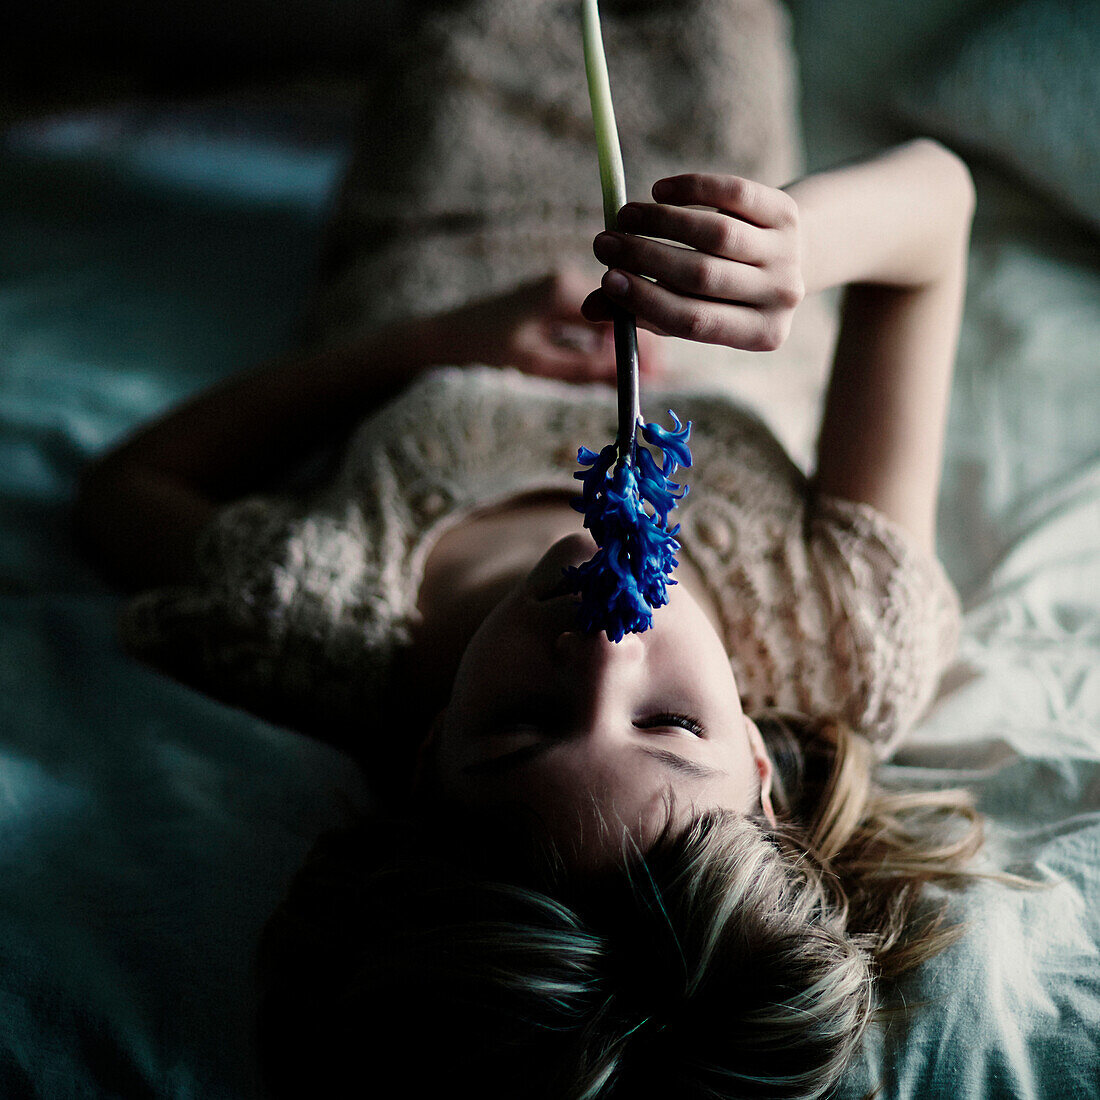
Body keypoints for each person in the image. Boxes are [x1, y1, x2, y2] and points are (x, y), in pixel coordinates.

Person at [75, 133, 985, 1097]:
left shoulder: (312, 607)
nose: (602, 652)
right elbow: (938, 210)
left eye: (523, 727)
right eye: (670, 724)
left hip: (438, 216)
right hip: (701, 158)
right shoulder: (849, 626)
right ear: (760, 766)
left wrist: (429, 342)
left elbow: (128, 487)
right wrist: (798, 240)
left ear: (430, 755)